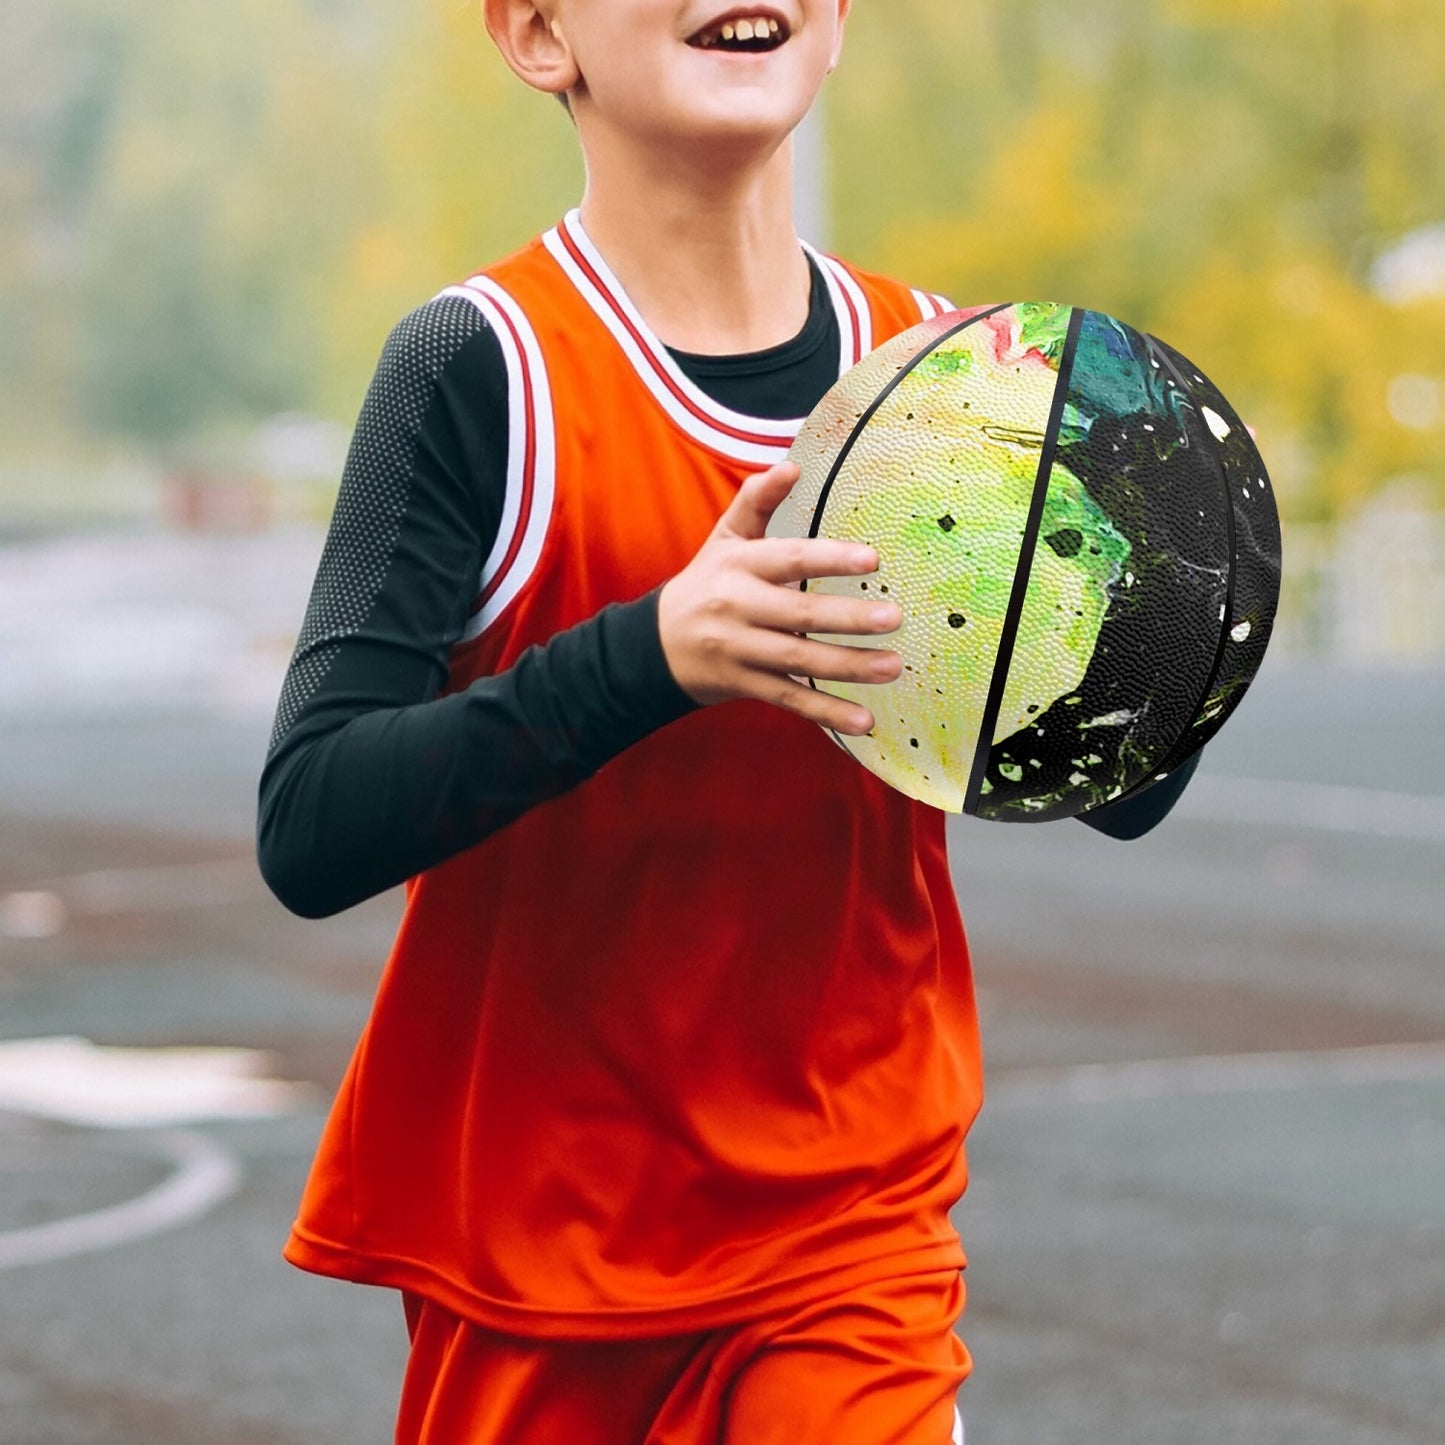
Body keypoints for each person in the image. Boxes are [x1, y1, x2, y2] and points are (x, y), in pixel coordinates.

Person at [257, 2, 1198, 1439]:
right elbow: (311, 822)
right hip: (540, 1243)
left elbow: (1120, 786)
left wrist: (1151, 610)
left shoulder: (951, 387)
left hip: (849, 1224)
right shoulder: (479, 367)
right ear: (534, 36)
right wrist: (650, 653)